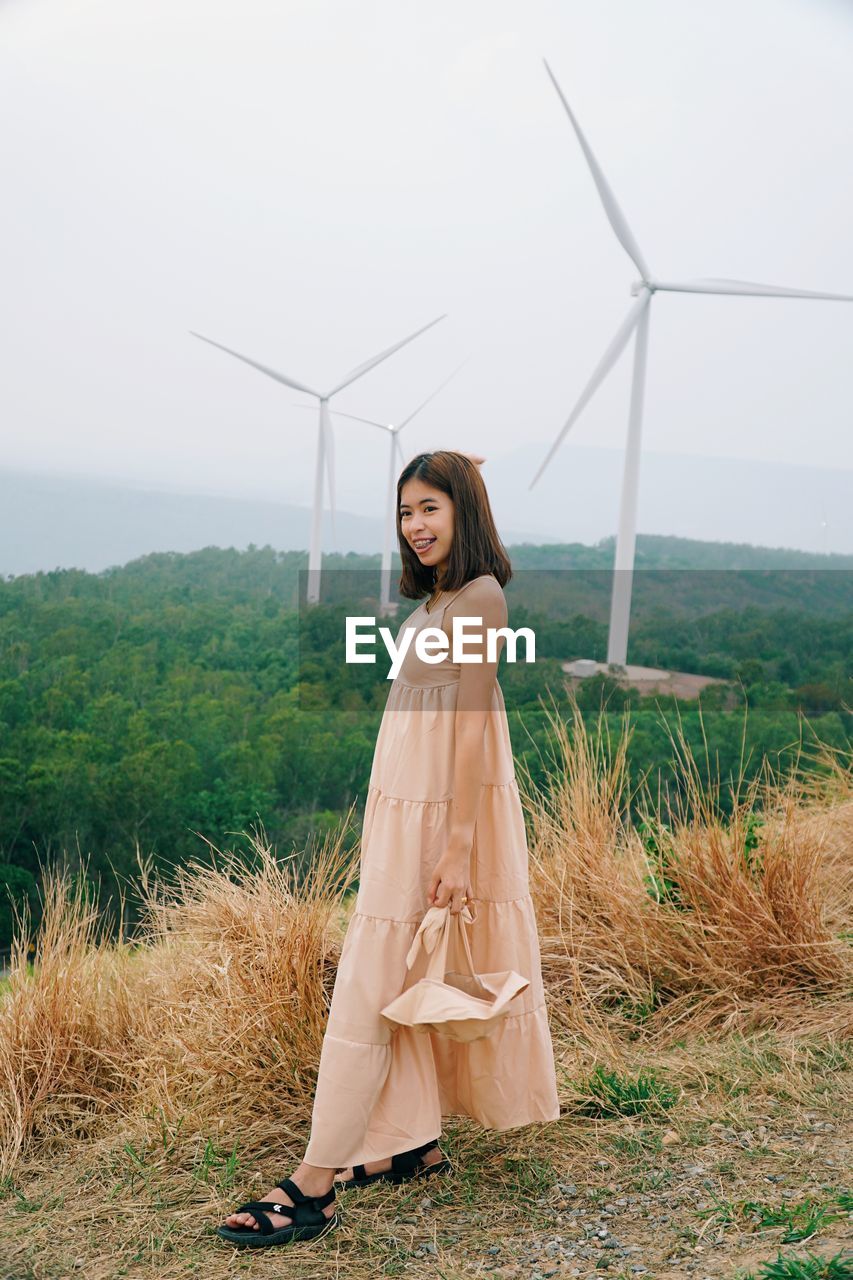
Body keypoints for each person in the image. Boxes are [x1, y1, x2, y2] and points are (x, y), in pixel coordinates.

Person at [217, 450, 560, 1249]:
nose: (414, 527)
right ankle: (410, 1144)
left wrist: (459, 847)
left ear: (464, 512)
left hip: (442, 819)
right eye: (405, 512)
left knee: (373, 982)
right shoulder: (441, 600)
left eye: (431, 508)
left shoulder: (480, 598)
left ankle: (314, 1184)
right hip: (404, 816)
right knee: (400, 975)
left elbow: (473, 723)